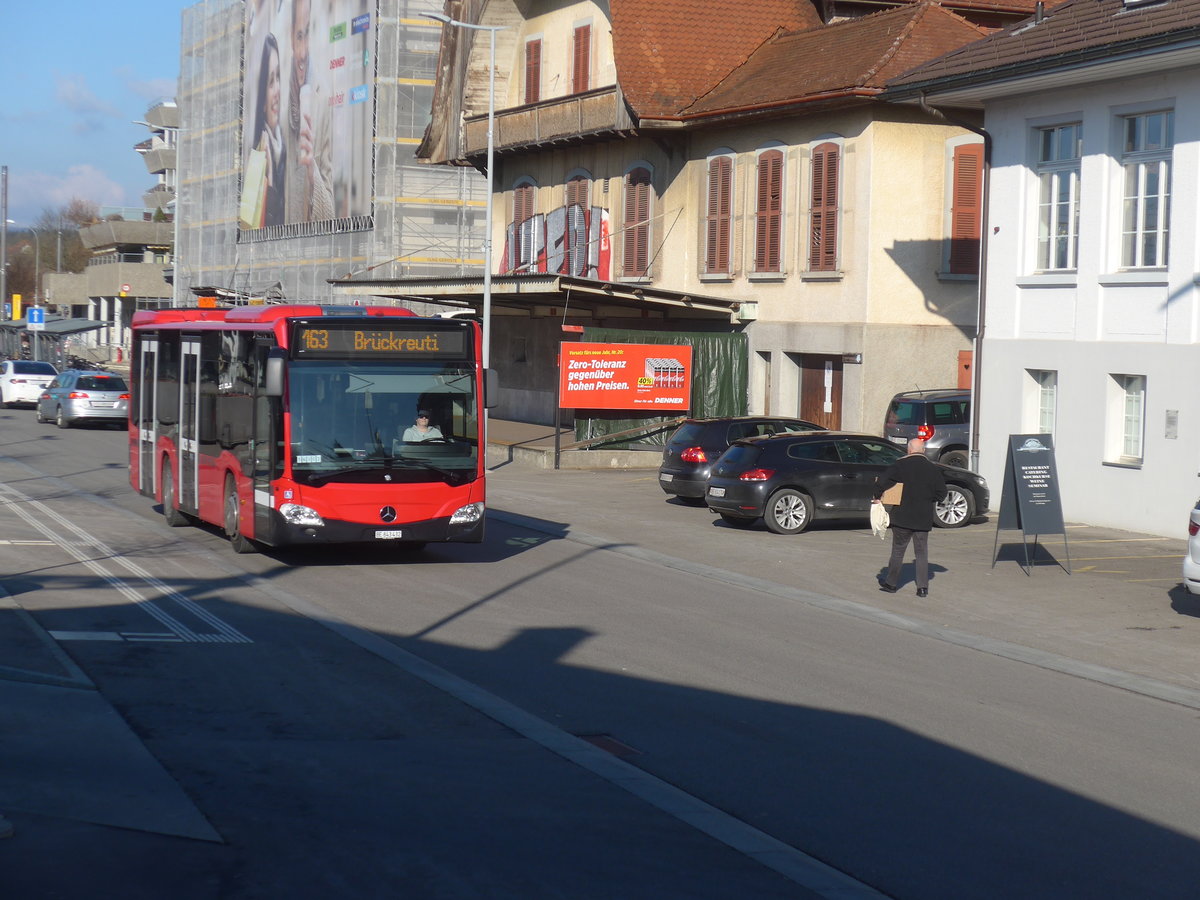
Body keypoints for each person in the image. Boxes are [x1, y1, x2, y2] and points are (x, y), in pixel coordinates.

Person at [872, 437, 947, 597]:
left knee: (898, 551)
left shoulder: (900, 465)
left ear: (909, 450)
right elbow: (942, 493)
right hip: (923, 517)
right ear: (923, 451)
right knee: (921, 553)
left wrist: (877, 496)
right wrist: (928, 499)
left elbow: (882, 482)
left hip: (902, 516)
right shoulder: (932, 468)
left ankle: (891, 584)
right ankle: (922, 588)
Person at [285, 0, 334, 223]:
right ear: (290, 39)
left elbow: (329, 203)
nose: (303, 52)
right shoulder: (276, 96)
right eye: (299, 36)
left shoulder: (322, 100)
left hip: (309, 242)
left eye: (307, 36)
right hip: (274, 241)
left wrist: (311, 176)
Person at [250, 33, 286, 227]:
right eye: (271, 81)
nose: (277, 90)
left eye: (278, 77)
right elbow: (253, 226)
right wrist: (269, 184)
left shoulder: (283, 149)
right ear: (262, 101)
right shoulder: (258, 154)